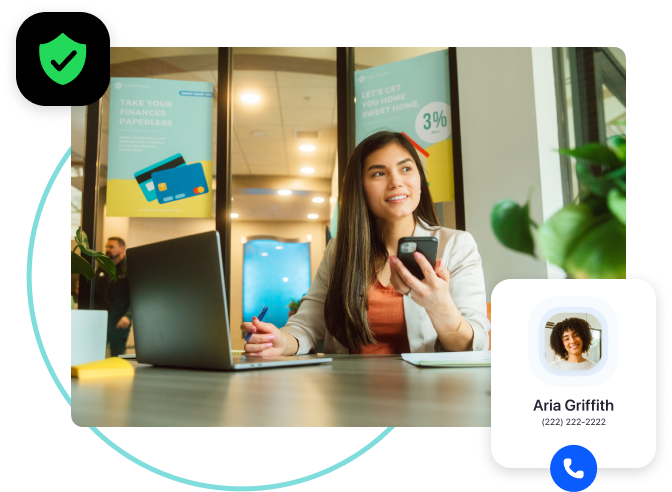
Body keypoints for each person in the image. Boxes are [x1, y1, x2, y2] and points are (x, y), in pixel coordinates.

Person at [242, 131, 490, 355]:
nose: (396, 182)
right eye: (379, 173)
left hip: (427, 393)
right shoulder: (340, 251)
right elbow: (306, 324)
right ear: (360, 188)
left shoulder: (456, 245)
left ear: (419, 179)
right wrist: (281, 341)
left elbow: (474, 344)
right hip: (350, 394)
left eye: (406, 169)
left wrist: (439, 305)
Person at [93, 237, 133, 357]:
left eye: (111, 247)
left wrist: (128, 316)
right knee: (95, 355)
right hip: (100, 322)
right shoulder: (102, 267)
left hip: (120, 322)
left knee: (117, 357)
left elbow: (135, 296)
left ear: (122, 248)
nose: (107, 249)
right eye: (107, 246)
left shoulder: (130, 268)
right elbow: (96, 293)